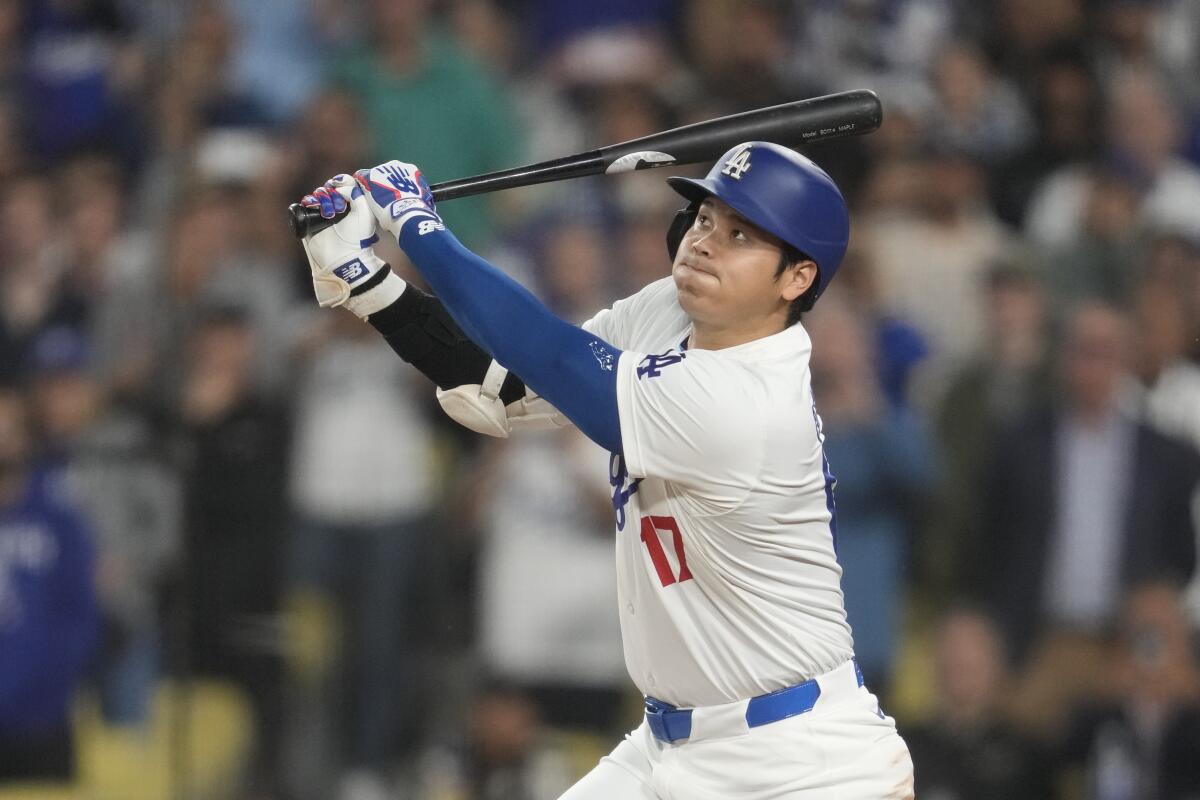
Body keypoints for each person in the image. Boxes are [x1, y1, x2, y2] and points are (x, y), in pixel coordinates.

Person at [297, 141, 915, 798]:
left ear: (796, 279)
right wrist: (367, 282)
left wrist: (419, 228)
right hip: (672, 747)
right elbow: (505, 392)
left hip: (800, 763)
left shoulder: (752, 400)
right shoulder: (669, 311)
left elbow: (559, 359)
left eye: (741, 235)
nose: (706, 242)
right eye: (707, 218)